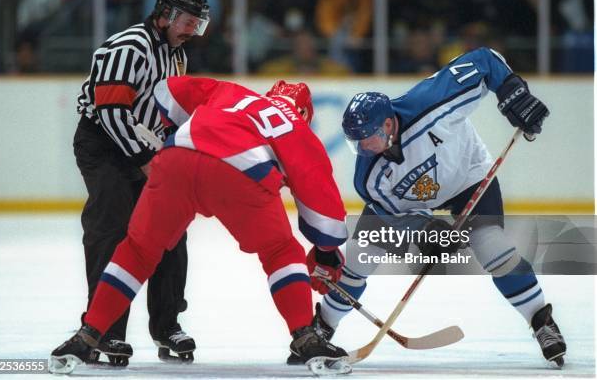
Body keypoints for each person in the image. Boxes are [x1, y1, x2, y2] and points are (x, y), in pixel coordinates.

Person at [49, 77, 351, 375]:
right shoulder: (298, 127)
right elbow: (322, 205)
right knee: (281, 251)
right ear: (304, 114)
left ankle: (88, 334)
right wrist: (326, 253)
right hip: (242, 171)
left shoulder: (232, 92)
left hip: (178, 155)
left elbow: (168, 91)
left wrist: (182, 129)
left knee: (138, 250)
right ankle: (306, 338)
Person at [308, 47, 567, 367]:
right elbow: (397, 217)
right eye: (356, 142)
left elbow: (485, 60)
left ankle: (542, 321)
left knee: (493, 247)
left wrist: (513, 92)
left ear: (388, 125)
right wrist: (426, 231)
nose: (363, 148)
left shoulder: (431, 102)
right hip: (413, 203)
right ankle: (322, 327)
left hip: (467, 178)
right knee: (359, 256)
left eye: (367, 138)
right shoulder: (370, 179)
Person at [72, 0, 210, 365]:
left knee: (170, 231)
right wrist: (146, 161)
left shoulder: (175, 53)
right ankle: (103, 329)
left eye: (196, 24)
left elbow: (170, 112)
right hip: (104, 145)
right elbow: (111, 112)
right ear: (165, 14)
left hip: (143, 147)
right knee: (112, 228)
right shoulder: (130, 46)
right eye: (187, 21)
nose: (191, 31)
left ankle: (167, 325)